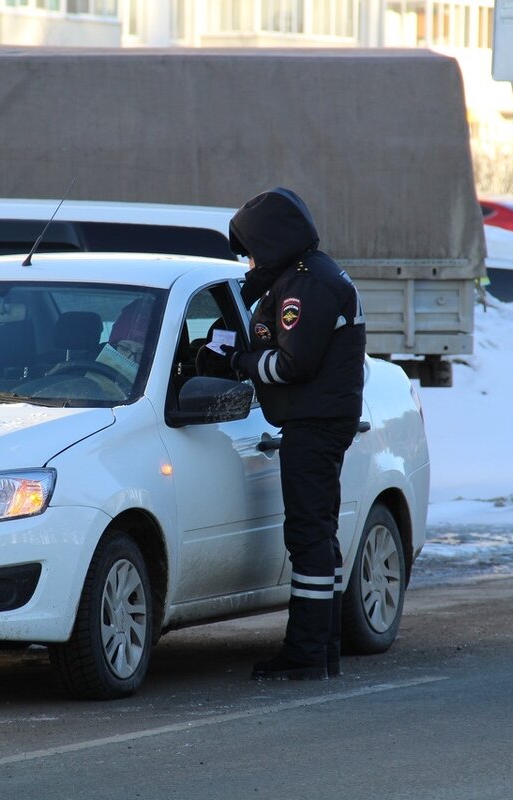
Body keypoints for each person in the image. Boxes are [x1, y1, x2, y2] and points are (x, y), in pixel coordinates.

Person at [198, 187, 366, 681]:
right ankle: (323, 648)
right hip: (319, 420)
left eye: (251, 251)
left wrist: (236, 362)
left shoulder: (305, 286)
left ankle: (307, 652)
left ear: (272, 242)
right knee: (319, 535)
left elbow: (292, 364)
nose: (249, 262)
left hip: (313, 423)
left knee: (308, 535)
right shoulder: (309, 275)